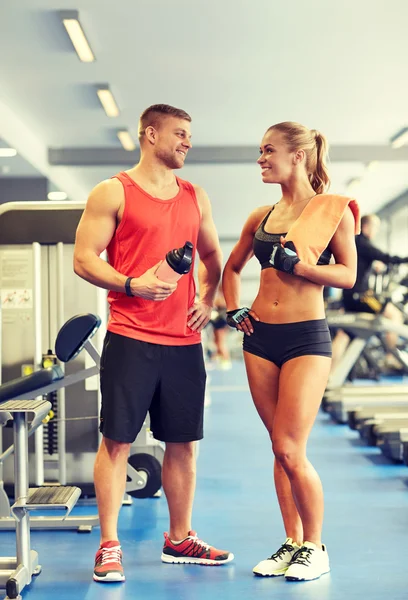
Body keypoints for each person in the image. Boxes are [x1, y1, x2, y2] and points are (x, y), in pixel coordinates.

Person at [73, 103, 233, 583]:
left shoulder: (194, 196)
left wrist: (207, 299)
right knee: (117, 441)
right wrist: (130, 284)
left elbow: (211, 255)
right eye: (179, 133)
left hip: (184, 342)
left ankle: (180, 538)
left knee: (183, 443)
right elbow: (84, 259)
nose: (187, 142)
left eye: (190, 135)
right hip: (131, 337)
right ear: (150, 134)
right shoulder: (113, 192)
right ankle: (108, 546)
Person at [222, 121, 357, 582]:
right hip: (259, 338)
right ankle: (292, 542)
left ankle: (316, 546)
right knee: (278, 451)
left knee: (290, 447)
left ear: (298, 155)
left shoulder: (333, 211)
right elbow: (232, 267)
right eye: (259, 152)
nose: (261, 159)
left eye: (268, 151)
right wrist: (233, 308)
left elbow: (348, 275)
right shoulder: (260, 215)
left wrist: (298, 265)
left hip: (305, 338)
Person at [331, 214, 408, 371]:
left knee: (344, 334)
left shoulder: (353, 243)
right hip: (362, 297)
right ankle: (389, 357)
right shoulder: (363, 242)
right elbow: (386, 257)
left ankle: (328, 376)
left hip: (349, 297)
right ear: (367, 226)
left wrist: (374, 267)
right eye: (376, 227)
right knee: (394, 315)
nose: (376, 231)